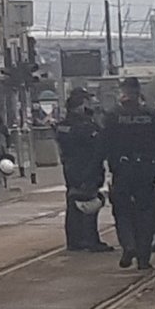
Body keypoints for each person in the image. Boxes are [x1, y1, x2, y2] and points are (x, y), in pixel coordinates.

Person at [103, 80, 155, 273]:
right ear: (138, 93)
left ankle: (128, 245)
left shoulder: (113, 116)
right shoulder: (151, 115)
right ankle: (143, 258)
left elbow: (103, 145)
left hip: (122, 170)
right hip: (146, 171)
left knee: (122, 212)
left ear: (123, 93)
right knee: (146, 213)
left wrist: (100, 170)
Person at [58, 92, 113, 252]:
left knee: (73, 202)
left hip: (70, 168)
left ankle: (74, 240)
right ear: (81, 105)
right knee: (90, 203)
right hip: (87, 168)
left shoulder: (63, 125)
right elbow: (99, 143)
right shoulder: (86, 126)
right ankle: (91, 240)